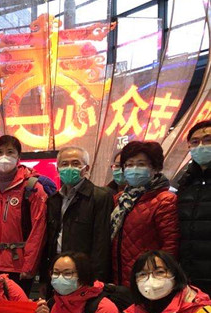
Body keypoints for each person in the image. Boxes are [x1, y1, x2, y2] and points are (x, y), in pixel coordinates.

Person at [0, 134, 48, 295]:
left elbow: (38, 230)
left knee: (16, 307)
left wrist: (29, 266)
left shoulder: (32, 188)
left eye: (10, 152)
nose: (4, 156)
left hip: (19, 266)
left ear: (18, 157)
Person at [110, 141, 179, 286]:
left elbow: (170, 245)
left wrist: (160, 277)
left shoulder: (165, 200)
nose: (134, 169)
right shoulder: (120, 199)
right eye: (129, 165)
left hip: (148, 278)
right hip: (119, 277)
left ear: (155, 168)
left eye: (141, 164)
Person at [43, 146, 113, 284]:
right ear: (58, 169)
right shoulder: (53, 199)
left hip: (84, 272)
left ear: (86, 168)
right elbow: (49, 239)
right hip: (57, 269)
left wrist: (96, 279)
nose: (69, 168)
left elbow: (101, 243)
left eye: (75, 163)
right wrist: (45, 279)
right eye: (64, 164)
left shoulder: (100, 197)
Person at [176, 120, 211, 295]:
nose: (201, 146)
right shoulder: (185, 182)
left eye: (208, 140)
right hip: (189, 275)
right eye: (195, 142)